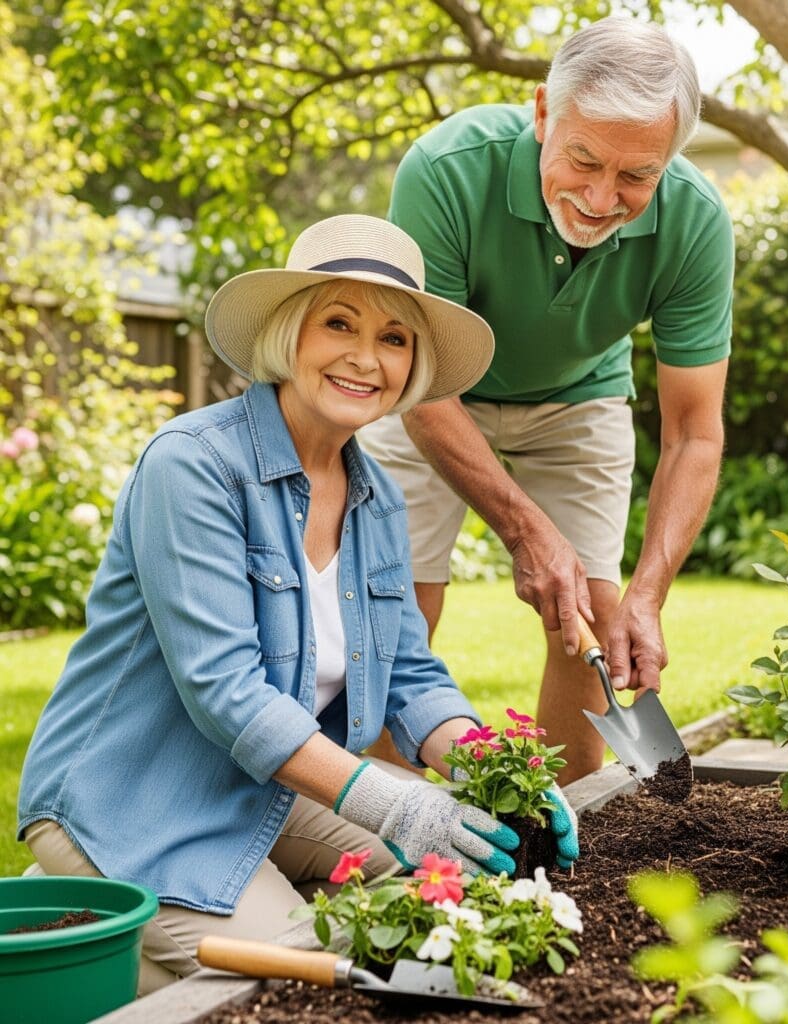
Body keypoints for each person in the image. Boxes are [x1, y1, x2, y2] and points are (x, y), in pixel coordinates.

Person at [17, 214, 579, 993]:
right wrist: (389, 801)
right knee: (311, 983)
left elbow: (411, 674)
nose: (364, 356)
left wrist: (498, 774)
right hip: (140, 798)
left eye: (394, 337)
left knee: (471, 889)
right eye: (338, 323)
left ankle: (124, 930)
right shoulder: (193, 467)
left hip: (264, 791)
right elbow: (226, 691)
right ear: (289, 334)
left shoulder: (376, 499)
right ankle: (91, 923)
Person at [359, 18, 734, 784]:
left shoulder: (696, 221)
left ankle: (561, 833)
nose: (601, 198)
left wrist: (647, 595)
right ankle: (379, 836)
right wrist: (528, 532)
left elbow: (696, 433)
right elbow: (426, 388)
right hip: (431, 388)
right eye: (584, 159)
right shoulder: (446, 169)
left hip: (577, 396)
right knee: (394, 604)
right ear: (542, 113)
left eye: (637, 176)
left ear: (672, 158)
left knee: (585, 614)